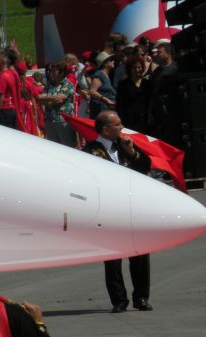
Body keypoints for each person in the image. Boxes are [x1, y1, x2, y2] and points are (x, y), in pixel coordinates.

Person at [83, 111, 153, 313]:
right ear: (105, 129)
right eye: (118, 125)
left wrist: (131, 151)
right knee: (113, 259)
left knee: (140, 254)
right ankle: (119, 300)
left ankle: (141, 297)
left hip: (132, 207)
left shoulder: (125, 145)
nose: (122, 128)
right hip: (109, 210)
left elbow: (145, 166)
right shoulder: (89, 151)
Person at [39, 61, 77, 147]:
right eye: (50, 71)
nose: (50, 73)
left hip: (63, 121)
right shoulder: (48, 85)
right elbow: (40, 100)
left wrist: (46, 98)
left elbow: (59, 98)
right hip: (49, 120)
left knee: (66, 146)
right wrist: (53, 100)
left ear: (61, 72)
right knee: (53, 147)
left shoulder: (67, 84)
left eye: (53, 71)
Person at [116, 55, 152, 133]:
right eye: (134, 67)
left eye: (139, 67)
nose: (137, 70)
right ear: (129, 69)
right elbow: (119, 104)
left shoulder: (147, 84)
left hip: (144, 120)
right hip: (128, 120)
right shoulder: (123, 84)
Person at [88, 51, 117, 119]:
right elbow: (92, 91)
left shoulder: (106, 75)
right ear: (105, 63)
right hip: (101, 111)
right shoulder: (100, 74)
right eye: (111, 60)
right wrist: (106, 99)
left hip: (106, 110)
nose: (113, 61)